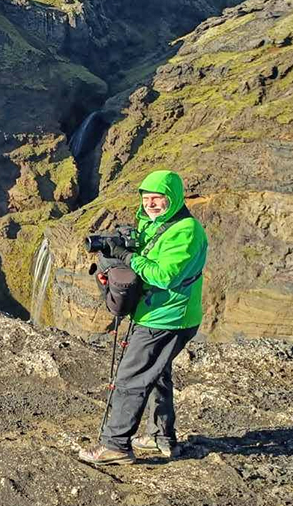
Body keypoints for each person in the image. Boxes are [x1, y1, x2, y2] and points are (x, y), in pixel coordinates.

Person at [79, 169, 208, 466]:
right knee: (156, 371)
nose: (151, 204)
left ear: (173, 198)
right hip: (157, 312)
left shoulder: (186, 231)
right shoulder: (153, 224)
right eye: (147, 198)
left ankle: (116, 445)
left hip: (167, 317)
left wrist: (125, 257)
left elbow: (164, 276)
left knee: (130, 379)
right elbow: (146, 258)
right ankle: (160, 436)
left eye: (158, 198)